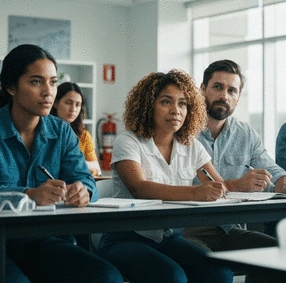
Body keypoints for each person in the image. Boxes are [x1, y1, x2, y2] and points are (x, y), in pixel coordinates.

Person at [0, 44, 123, 283]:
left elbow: (86, 180)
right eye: (36, 82)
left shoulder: (62, 131)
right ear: (11, 87)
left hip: (42, 239)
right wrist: (27, 194)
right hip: (2, 241)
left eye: (53, 82)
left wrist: (83, 191)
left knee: (107, 277)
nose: (48, 92)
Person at [97, 70, 233, 283]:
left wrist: (219, 189)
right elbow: (139, 188)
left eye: (183, 104)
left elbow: (218, 184)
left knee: (220, 272)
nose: (176, 111)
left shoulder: (192, 146)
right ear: (148, 105)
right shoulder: (128, 141)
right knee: (172, 277)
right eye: (166, 102)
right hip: (124, 239)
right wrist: (196, 192)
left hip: (170, 238)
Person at [184, 60, 286, 283]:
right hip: (188, 230)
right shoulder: (182, 131)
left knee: (279, 254)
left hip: (230, 229)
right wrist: (237, 184)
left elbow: (270, 168)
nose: (225, 96)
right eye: (218, 87)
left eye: (232, 90)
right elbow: (177, 187)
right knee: (213, 269)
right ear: (202, 90)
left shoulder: (246, 133)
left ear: (239, 97)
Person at [51, 82, 101, 177]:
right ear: (56, 103)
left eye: (78, 104)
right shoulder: (45, 131)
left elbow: (96, 169)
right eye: (68, 103)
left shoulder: (84, 135)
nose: (73, 109)